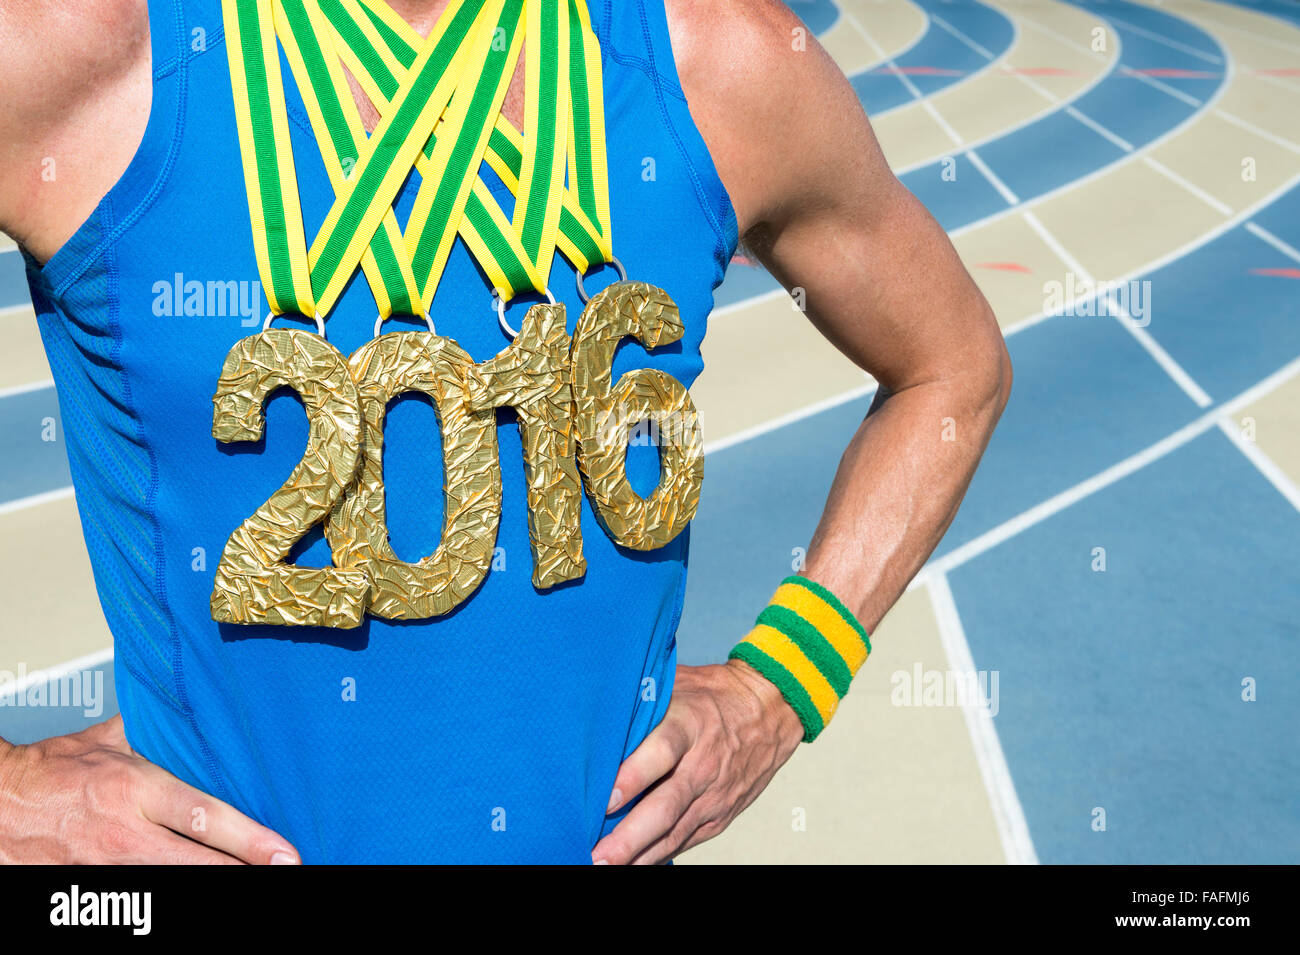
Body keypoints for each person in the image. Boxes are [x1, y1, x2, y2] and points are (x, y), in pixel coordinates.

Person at [0, 0, 1010, 864]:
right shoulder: (89, 52)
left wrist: (784, 681)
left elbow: (950, 367)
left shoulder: (716, 61)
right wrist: (12, 794)